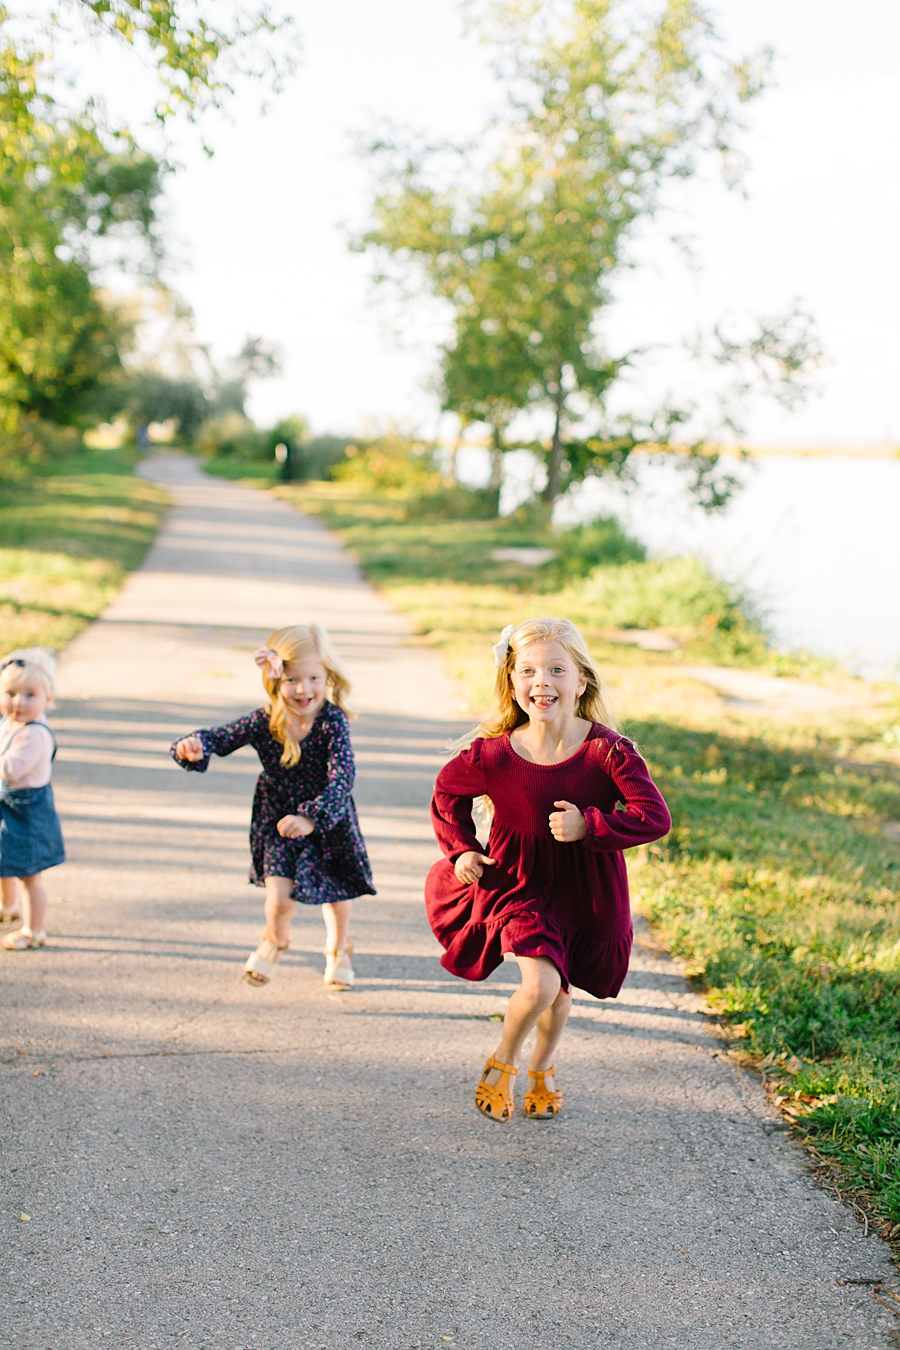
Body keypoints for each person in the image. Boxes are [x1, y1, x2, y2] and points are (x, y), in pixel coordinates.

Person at [425, 617, 671, 1123]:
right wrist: (462, 850)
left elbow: (654, 817)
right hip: (517, 882)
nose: (542, 682)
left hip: (585, 888)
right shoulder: (494, 754)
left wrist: (593, 827)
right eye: (529, 671)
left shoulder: (608, 751)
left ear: (581, 681)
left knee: (557, 997)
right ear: (512, 683)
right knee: (538, 986)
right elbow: (447, 793)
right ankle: (503, 1062)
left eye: (557, 669)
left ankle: (543, 1063)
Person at [171, 624, 374, 988]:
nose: (303, 689)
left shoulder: (332, 722)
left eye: (313, 677)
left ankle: (339, 946)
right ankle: (276, 938)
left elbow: (343, 778)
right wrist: (193, 745)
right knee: (279, 897)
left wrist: (312, 817)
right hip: (279, 819)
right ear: (274, 678)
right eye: (292, 679)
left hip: (327, 817)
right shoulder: (266, 720)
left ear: (327, 675)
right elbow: (219, 737)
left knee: (336, 893)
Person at [0, 649, 66, 949]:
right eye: (11, 693)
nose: (18, 702)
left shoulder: (34, 735)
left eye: (29, 695)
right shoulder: (12, 723)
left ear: (47, 699)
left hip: (27, 813)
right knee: (5, 862)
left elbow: (11, 770)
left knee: (29, 875)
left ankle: (33, 930)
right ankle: (8, 907)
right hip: (10, 807)